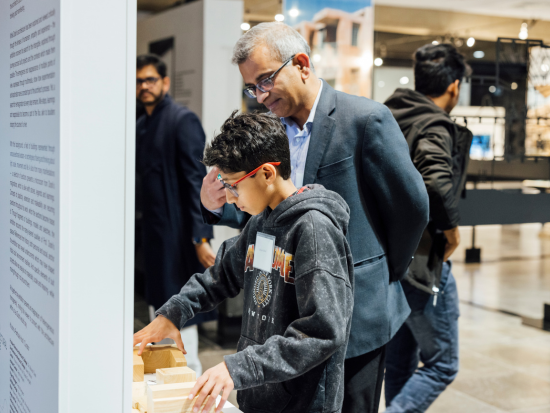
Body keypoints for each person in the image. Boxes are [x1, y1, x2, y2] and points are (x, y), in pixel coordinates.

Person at [199, 22, 429, 413]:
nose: (260, 95)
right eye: (252, 87)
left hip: (358, 316)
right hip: (289, 320)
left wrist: (382, 271)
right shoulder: (269, 133)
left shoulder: (365, 120)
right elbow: (267, 217)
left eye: (265, 80)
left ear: (302, 64)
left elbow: (412, 207)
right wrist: (215, 205)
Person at [134, 111, 355, 413]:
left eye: (233, 186)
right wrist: (173, 313)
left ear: (266, 173)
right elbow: (220, 275)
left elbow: (322, 331)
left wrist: (238, 367)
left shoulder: (315, 229)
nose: (228, 196)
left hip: (302, 404)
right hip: (259, 396)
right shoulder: (261, 222)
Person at [383, 43, 473, 412]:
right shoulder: (435, 122)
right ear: (454, 86)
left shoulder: (388, 115)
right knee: (441, 364)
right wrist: (450, 229)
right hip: (422, 263)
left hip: (388, 259)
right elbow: (435, 183)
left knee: (400, 361)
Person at [136, 54, 216, 375]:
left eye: (150, 79)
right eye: (139, 80)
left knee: (182, 313)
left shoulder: (182, 120)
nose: (144, 86)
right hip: (152, 236)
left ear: (165, 83)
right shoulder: (142, 124)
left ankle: (189, 380)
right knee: (160, 308)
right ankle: (168, 381)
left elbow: (197, 182)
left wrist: (201, 237)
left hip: (179, 236)